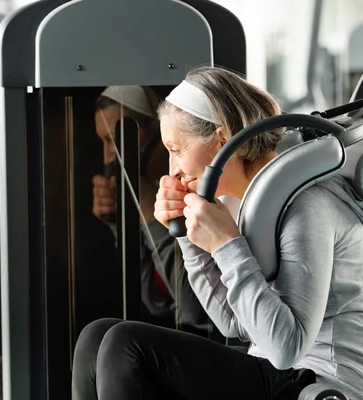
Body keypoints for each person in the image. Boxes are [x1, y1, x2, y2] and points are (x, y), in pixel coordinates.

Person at [72, 66, 363, 400]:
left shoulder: (305, 203)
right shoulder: (249, 202)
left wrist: (226, 245)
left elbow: (287, 349)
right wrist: (184, 234)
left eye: (177, 149)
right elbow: (233, 324)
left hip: (322, 383)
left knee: (127, 346)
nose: (172, 169)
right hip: (275, 370)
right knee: (96, 337)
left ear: (223, 140)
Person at [92, 85, 210, 333]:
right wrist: (120, 222)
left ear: (157, 134)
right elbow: (154, 299)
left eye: (114, 140)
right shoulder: (158, 192)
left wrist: (146, 210)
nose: (106, 157)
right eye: (102, 142)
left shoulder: (200, 193)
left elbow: (193, 310)